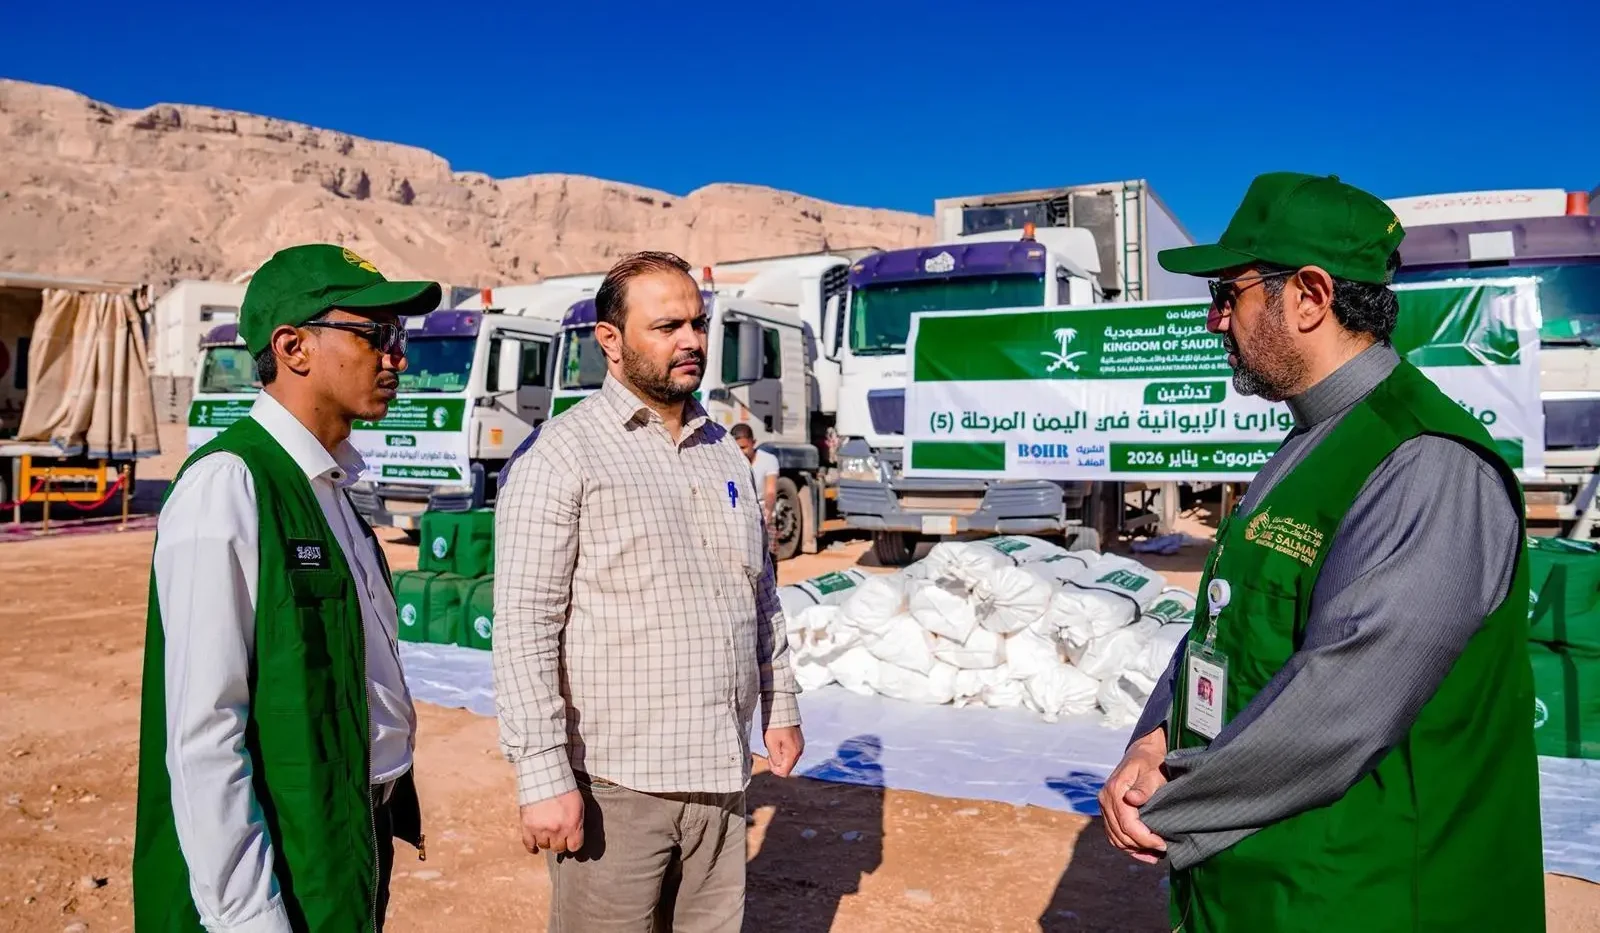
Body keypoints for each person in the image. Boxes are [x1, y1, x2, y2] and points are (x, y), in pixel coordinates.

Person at [1098, 172, 1544, 931]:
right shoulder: (1315, 439)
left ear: (1309, 296)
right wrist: (1156, 737)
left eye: (1229, 293)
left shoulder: (1425, 463)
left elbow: (1347, 701)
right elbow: (1227, 621)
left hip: (1370, 892)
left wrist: (1174, 802)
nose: (1214, 319)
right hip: (1272, 879)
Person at [493, 250, 805, 932]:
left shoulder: (723, 451)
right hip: (617, 784)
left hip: (722, 777)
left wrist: (779, 703)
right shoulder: (562, 454)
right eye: (667, 327)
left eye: (698, 323)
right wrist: (543, 775)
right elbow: (523, 625)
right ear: (610, 339)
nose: (691, 340)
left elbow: (760, 593)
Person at [133, 244, 437, 932]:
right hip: (278, 858)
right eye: (376, 334)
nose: (397, 358)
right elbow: (205, 732)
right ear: (294, 347)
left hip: (349, 829)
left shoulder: (331, 487)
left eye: (400, 336)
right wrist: (249, 917)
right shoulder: (230, 484)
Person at [730, 422, 780, 554]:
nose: (741, 453)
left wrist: (767, 515)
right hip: (741, 516)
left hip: (764, 514)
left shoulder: (769, 460)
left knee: (768, 557)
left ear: (753, 443)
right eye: (737, 449)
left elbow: (770, 491)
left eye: (744, 447)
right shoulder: (730, 463)